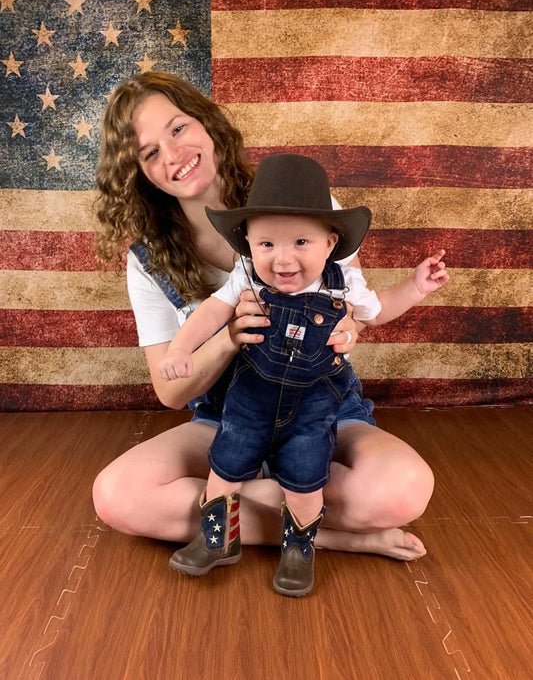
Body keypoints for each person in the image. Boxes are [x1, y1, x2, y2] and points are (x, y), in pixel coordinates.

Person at [92, 71, 437, 585]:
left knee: (403, 489)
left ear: (208, 125)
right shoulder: (150, 260)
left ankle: (245, 523)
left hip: (320, 406)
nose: (171, 154)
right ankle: (320, 535)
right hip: (229, 415)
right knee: (117, 496)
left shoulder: (306, 201)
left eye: (178, 129)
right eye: (148, 153)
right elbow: (170, 390)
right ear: (140, 173)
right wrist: (229, 337)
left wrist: (351, 329)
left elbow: (352, 310)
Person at [159, 152, 448, 596]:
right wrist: (181, 347)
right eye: (267, 244)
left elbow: (377, 312)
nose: (282, 259)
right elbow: (210, 312)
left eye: (300, 243)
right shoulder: (246, 277)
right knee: (226, 465)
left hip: (313, 406)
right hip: (250, 399)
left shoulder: (342, 284)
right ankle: (217, 537)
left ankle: (299, 548)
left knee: (306, 479)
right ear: (248, 243)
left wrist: (414, 288)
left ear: (331, 243)